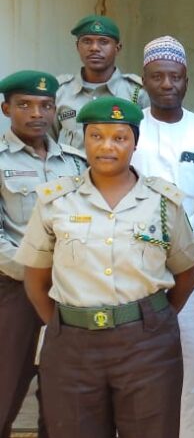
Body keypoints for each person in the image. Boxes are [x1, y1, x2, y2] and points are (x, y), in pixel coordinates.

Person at [15, 97, 194, 438]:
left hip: (147, 348)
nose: (107, 146)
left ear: (135, 143)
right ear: (83, 140)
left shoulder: (163, 203)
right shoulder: (55, 200)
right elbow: (35, 278)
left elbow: (186, 273)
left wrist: (151, 320)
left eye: (119, 137)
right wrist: (65, 324)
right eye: (97, 136)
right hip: (73, 347)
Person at [132, 35, 194, 438]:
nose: (167, 84)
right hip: (136, 269)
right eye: (158, 77)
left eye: (175, 77)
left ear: (186, 80)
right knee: (139, 364)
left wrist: (180, 241)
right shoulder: (129, 127)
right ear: (145, 81)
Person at [0, 70, 86, 438]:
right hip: (15, 290)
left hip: (67, 293)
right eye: (25, 105)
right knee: (5, 385)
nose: (37, 113)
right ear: (6, 109)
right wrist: (32, 272)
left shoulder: (76, 163)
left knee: (61, 393)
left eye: (45, 105)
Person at [56, 14, 149, 150]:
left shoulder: (137, 92)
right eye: (87, 41)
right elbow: (47, 145)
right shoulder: (60, 92)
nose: (94, 48)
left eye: (103, 42)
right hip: (72, 171)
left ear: (117, 48)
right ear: (77, 46)